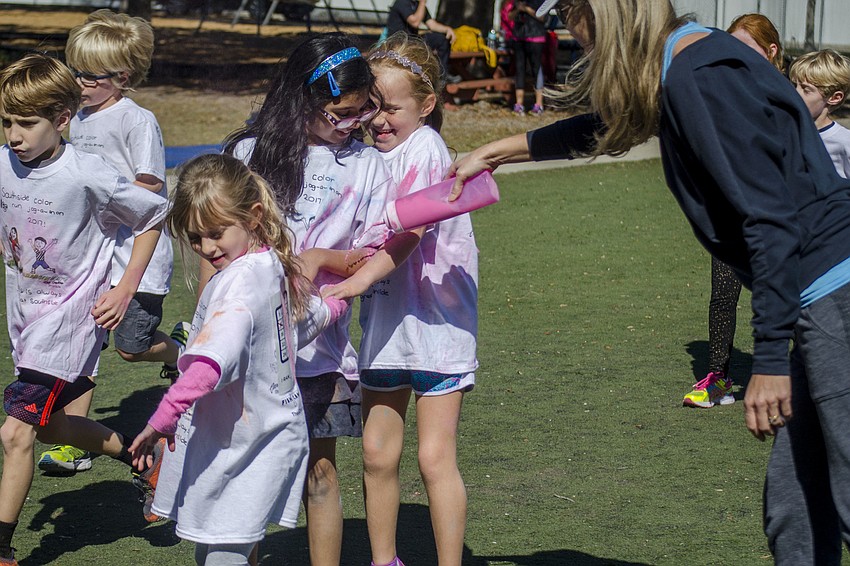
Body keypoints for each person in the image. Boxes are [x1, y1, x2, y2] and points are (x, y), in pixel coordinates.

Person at [448, 1, 850, 563]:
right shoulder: (684, 57)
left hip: (831, 295)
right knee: (796, 510)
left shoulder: (700, 75)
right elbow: (614, 126)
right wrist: (502, 150)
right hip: (815, 296)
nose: (567, 27)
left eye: (569, 11)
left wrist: (769, 361)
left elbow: (771, 219)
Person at [223, 33, 396, 566]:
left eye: (360, 112)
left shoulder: (368, 165)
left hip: (320, 348)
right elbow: (220, 243)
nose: (354, 124)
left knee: (319, 472)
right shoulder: (247, 154)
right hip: (249, 346)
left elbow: (370, 254)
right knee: (246, 467)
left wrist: (319, 259)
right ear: (301, 99)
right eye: (339, 114)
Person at [128, 153, 348, 566]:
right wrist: (335, 304)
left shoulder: (238, 286)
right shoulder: (266, 264)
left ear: (253, 216)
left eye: (215, 233)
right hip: (259, 434)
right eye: (195, 238)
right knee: (211, 545)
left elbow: (210, 365)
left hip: (246, 446)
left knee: (222, 554)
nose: (206, 248)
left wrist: (162, 420)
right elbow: (291, 330)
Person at [0, 53, 168, 566]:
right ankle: (141, 456)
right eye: (6, 121)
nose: (14, 135)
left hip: (70, 319)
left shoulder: (87, 172)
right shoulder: (4, 162)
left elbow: (152, 217)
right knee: (50, 427)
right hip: (26, 316)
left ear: (62, 120)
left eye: (27, 123)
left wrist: (123, 288)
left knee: (15, 431)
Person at [327, 32, 479, 566]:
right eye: (371, 109)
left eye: (391, 108)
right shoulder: (369, 158)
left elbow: (409, 232)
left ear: (427, 106)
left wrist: (358, 279)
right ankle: (383, 560)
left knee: (435, 458)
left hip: (439, 327)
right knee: (375, 454)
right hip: (388, 326)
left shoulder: (428, 150)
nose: (378, 120)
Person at [33, 9, 186, 476]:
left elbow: (149, 189)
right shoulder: (75, 118)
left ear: (122, 76)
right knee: (84, 347)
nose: (79, 82)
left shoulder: (136, 120)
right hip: (93, 255)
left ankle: (185, 351)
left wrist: (103, 198)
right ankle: (73, 443)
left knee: (130, 346)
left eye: (89, 76)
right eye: (74, 70)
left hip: (138, 255)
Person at [682, 13, 786, 409]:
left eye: (745, 47)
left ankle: (800, 372)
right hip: (729, 214)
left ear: (771, 51)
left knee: (783, 297)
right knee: (722, 295)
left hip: (776, 217)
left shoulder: (786, 94)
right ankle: (717, 378)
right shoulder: (722, 90)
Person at [789, 49, 850, 179]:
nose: (794, 94)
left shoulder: (844, 142)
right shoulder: (784, 132)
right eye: (793, 85)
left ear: (834, 97)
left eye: (806, 90)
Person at [386, 0, 459, 83]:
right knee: (416, 47)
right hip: (399, 42)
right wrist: (422, 3)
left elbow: (432, 24)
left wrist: (447, 29)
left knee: (442, 39)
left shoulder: (418, 5)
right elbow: (415, 22)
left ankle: (442, 76)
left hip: (413, 40)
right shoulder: (402, 2)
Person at [509, 0, 547, 115]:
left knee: (536, 70)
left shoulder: (540, 1)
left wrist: (526, 10)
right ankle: (519, 104)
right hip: (519, 38)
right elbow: (510, 16)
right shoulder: (518, 1)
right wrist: (518, 9)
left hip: (536, 38)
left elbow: (543, 18)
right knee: (520, 70)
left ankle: (539, 104)